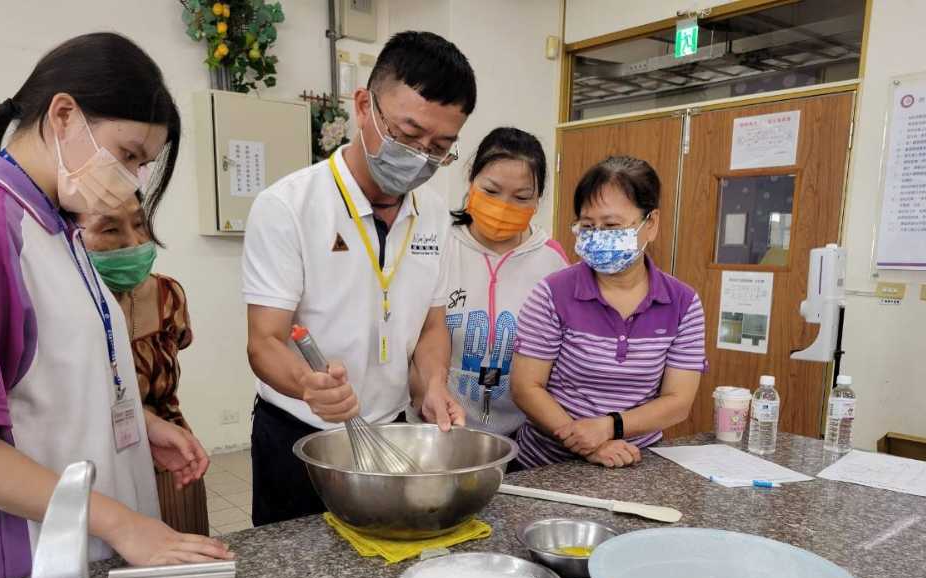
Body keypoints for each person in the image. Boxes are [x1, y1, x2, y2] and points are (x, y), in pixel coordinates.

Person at [0, 33, 230, 578]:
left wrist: (139, 421)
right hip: (22, 571)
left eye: (142, 164)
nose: (132, 177)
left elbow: (50, 379)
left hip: (85, 550)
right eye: (128, 154)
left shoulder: (54, 222)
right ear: (64, 115)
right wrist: (123, 523)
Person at [243, 31, 476, 525]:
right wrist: (307, 384)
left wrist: (433, 382)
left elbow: (432, 326)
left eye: (440, 147)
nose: (419, 156)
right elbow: (264, 341)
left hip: (390, 430)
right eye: (407, 135)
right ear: (364, 105)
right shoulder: (288, 206)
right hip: (300, 434)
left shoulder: (433, 214)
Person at [511, 155, 707, 469]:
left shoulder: (683, 303)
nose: (598, 235)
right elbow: (525, 387)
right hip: (547, 466)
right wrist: (585, 445)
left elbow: (677, 402)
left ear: (651, 224)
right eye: (588, 226)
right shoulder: (553, 293)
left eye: (612, 225)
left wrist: (608, 427)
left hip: (634, 463)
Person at [78, 196, 210, 536]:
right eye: (110, 229)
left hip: (172, 457)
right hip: (99, 464)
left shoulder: (168, 295)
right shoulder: (67, 307)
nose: (134, 242)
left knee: (187, 560)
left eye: (139, 224)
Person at [441, 127, 569, 439]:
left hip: (525, 437)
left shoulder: (551, 260)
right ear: (471, 180)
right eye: (491, 191)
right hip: (441, 428)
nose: (502, 206)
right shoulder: (441, 245)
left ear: (537, 200)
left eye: (521, 197)